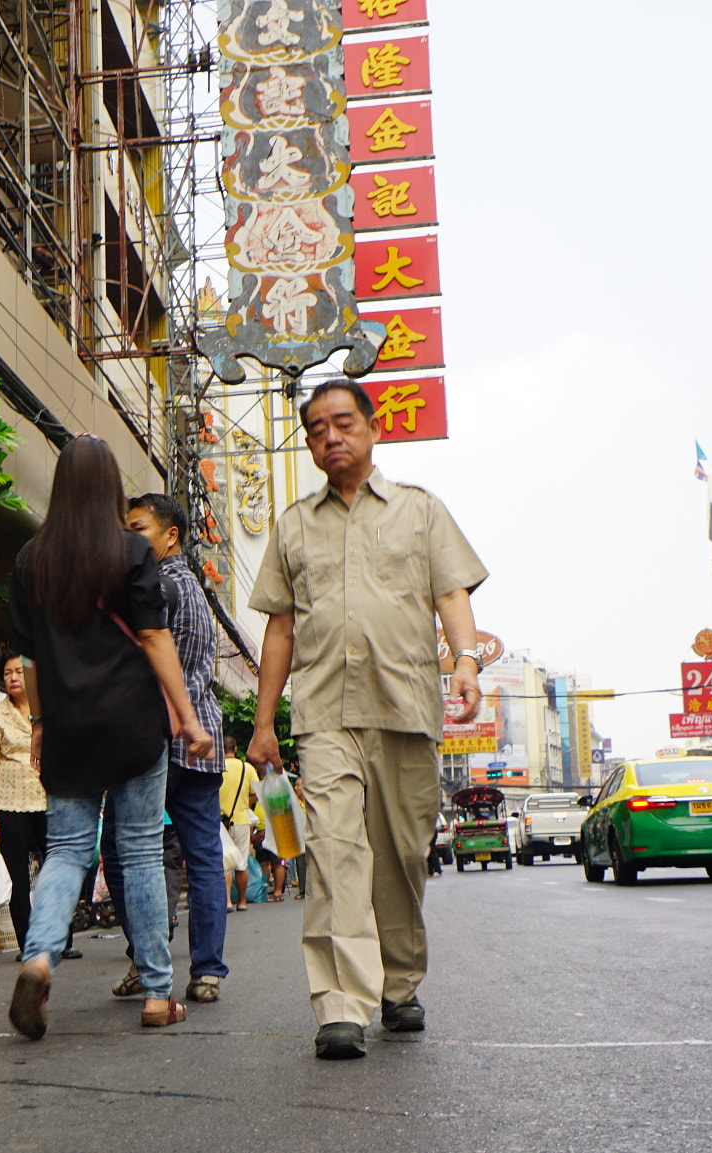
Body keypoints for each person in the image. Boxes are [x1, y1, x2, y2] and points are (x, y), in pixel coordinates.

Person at [244, 379, 487, 1061]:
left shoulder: (419, 511)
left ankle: (399, 982)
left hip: (406, 707)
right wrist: (264, 722)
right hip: (324, 714)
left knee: (402, 858)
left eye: (342, 423)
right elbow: (280, 628)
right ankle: (341, 1004)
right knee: (335, 856)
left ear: (373, 428)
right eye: (316, 428)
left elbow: (451, 591)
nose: (329, 437)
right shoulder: (293, 524)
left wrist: (464, 662)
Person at [5, 436, 214, 1040]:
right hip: (132, 723)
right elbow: (154, 638)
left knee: (67, 850)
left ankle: (39, 957)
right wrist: (190, 718)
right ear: (111, 488)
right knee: (143, 850)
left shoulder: (30, 561)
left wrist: (41, 723)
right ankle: (155, 993)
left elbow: (32, 659)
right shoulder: (129, 551)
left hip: (68, 727)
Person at [98, 492, 232, 1003]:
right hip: (205, 736)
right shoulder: (195, 588)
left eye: (138, 530)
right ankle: (207, 971)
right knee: (201, 857)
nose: (128, 541)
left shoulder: (153, 585)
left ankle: (146, 958)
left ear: (170, 535)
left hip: (161, 735)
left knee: (124, 849)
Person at [0, 652, 48, 953]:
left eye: (19, 671)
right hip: (10, 802)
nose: (13, 678)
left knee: (55, 866)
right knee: (17, 875)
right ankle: (29, 943)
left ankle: (60, 936)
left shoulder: (44, 709)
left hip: (47, 798)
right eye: (7, 673)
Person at [218, 752, 261, 911]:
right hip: (241, 820)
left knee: (225, 861)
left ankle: (227, 901)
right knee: (241, 863)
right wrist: (247, 803)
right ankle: (242, 902)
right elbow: (258, 792)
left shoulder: (217, 766)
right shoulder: (247, 768)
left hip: (220, 822)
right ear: (235, 749)